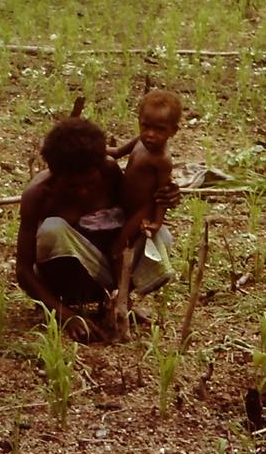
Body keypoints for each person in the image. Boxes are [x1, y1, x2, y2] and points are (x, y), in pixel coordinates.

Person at [16, 117, 176, 341]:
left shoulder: (109, 171)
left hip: (110, 265)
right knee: (53, 229)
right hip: (68, 283)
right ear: (54, 172)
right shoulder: (38, 195)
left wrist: (164, 196)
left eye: (89, 183)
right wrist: (66, 315)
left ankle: (117, 302)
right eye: (72, 186)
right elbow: (24, 271)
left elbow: (135, 211)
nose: (82, 192)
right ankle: (70, 304)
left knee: (160, 236)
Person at [106, 89, 181, 288]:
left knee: (120, 249)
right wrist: (90, 148)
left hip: (141, 210)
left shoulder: (162, 160)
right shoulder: (139, 141)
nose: (150, 134)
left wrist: (156, 222)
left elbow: (162, 194)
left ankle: (120, 294)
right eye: (145, 126)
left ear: (173, 131)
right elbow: (116, 152)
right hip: (124, 203)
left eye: (159, 129)